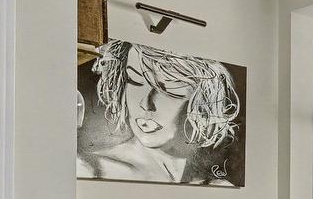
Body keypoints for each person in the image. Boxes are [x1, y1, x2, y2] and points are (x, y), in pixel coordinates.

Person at [78, 40, 241, 185]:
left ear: (202, 100)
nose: (145, 104)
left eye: (168, 89)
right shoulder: (91, 169)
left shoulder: (216, 185)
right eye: (134, 80)